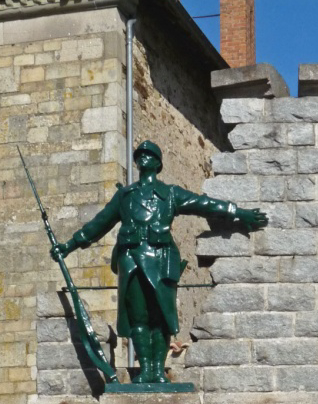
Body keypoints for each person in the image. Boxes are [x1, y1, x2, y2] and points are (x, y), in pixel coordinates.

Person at [51, 140, 267, 384]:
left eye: (149, 154)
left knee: (162, 318)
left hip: (161, 260)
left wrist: (238, 213)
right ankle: (146, 370)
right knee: (138, 318)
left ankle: (158, 369)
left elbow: (204, 204)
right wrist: (68, 245)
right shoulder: (125, 196)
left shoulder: (170, 194)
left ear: (158, 163)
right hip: (131, 260)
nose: (143, 157)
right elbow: (98, 225)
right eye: (140, 154)